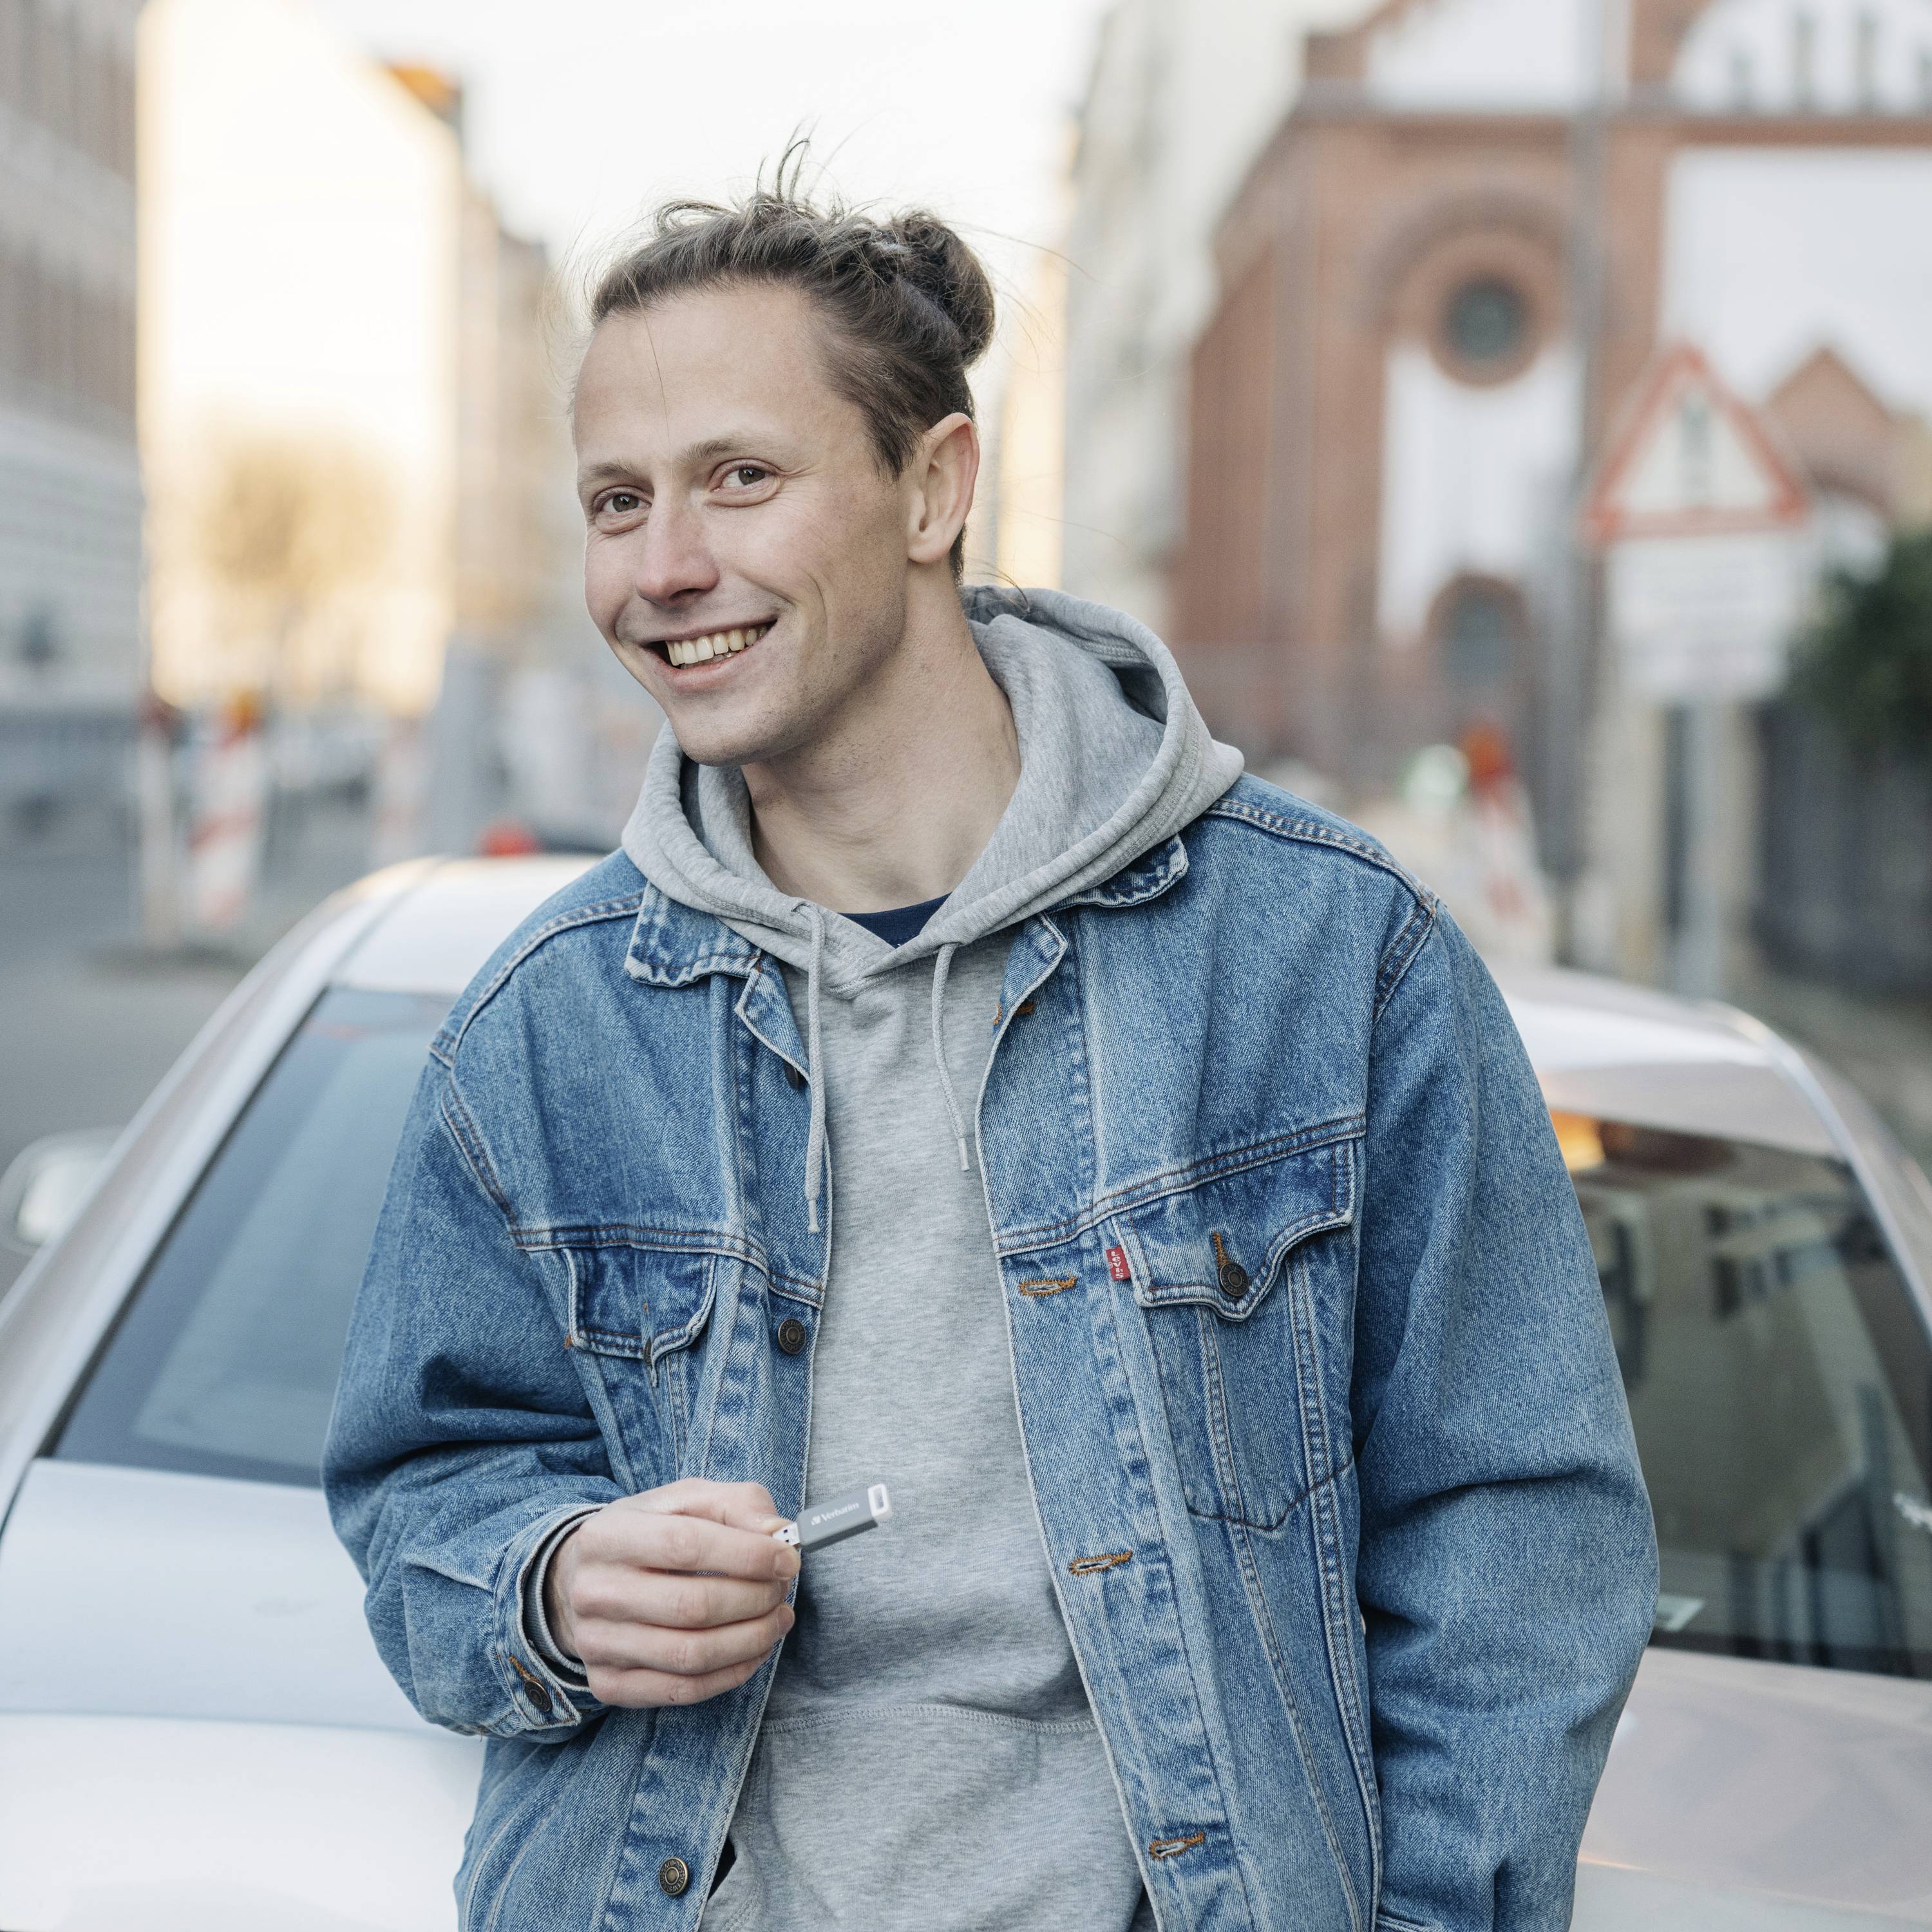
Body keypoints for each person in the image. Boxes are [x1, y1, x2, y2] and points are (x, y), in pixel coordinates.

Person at [324, 173, 1656, 1932]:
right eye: (617, 500)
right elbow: (424, 1484)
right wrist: (549, 1585)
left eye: (742, 477)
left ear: (935, 487)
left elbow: (1516, 1537)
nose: (663, 568)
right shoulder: (549, 1027)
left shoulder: (1330, 960)